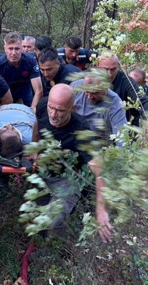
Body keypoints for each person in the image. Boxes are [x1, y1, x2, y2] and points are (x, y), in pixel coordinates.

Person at [31, 84, 113, 241]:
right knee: (36, 218)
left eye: (60, 111)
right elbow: (38, 122)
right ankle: (42, 242)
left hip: (68, 178)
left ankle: (60, 248)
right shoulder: (43, 105)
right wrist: (35, 147)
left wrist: (101, 210)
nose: (53, 114)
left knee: (53, 219)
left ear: (73, 109)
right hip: (45, 171)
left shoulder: (81, 131)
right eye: (51, 108)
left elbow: (100, 170)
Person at [69, 70, 128, 145]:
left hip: (99, 145)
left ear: (106, 88)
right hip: (73, 139)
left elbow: (122, 138)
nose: (89, 97)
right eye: (87, 92)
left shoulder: (115, 103)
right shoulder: (76, 87)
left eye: (94, 93)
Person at [98, 53, 148, 125]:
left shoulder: (126, 82)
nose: (109, 74)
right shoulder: (91, 78)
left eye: (113, 69)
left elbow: (144, 101)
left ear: (118, 66)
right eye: (105, 69)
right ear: (97, 66)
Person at [0, 31, 43, 109]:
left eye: (17, 49)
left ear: (22, 48)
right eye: (10, 49)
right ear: (5, 49)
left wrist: (33, 110)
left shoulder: (31, 62)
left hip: (24, 88)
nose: (13, 53)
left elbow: (38, 90)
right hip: (6, 89)